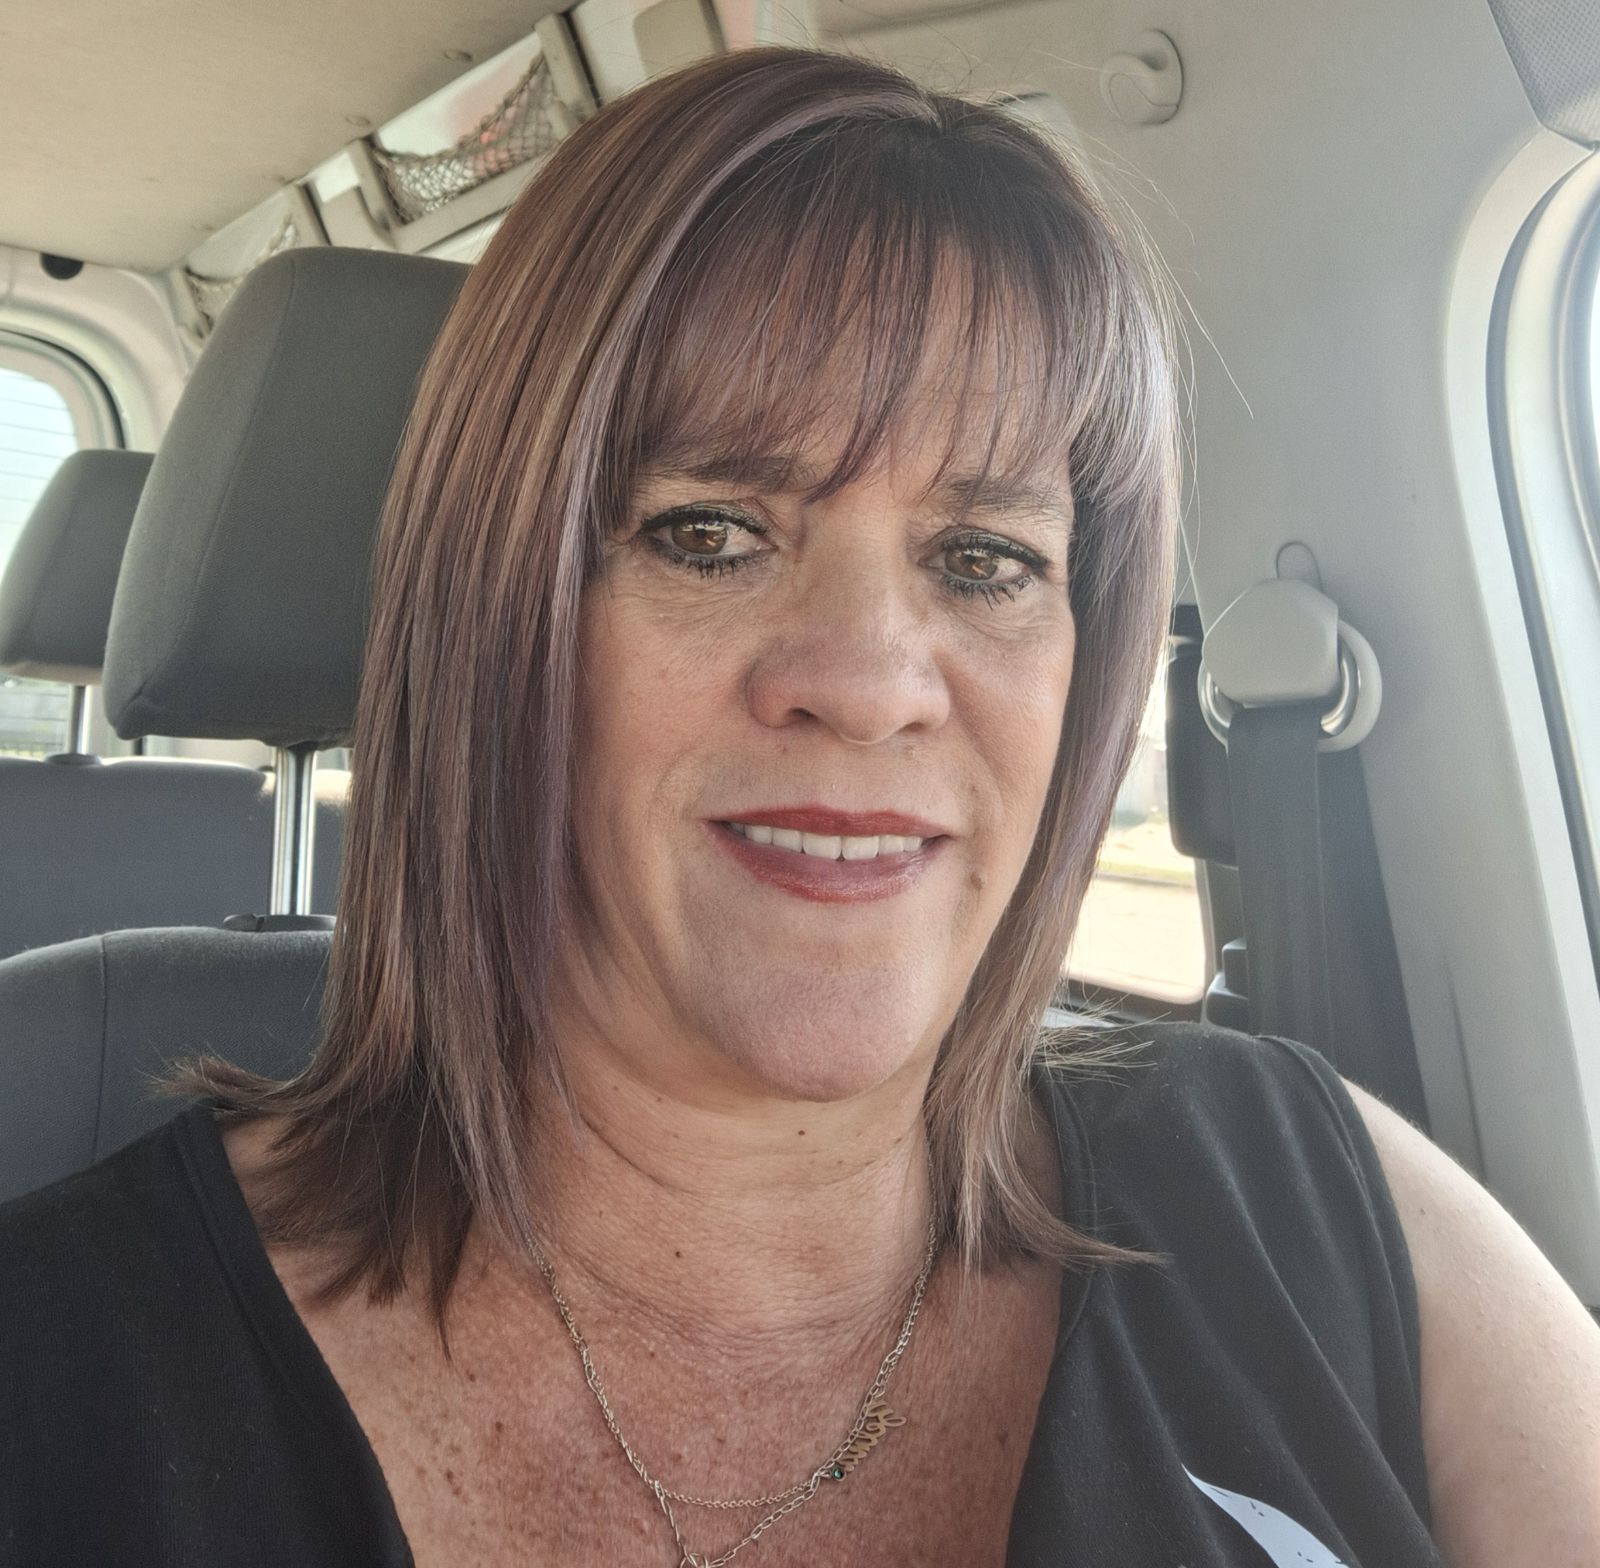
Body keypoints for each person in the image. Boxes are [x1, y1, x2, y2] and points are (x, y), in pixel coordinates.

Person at [4, 43, 1599, 1568]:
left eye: (985, 559)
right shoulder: (57, 1384)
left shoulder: (1322, 1201)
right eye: (710, 532)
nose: (871, 682)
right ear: (497, 609)